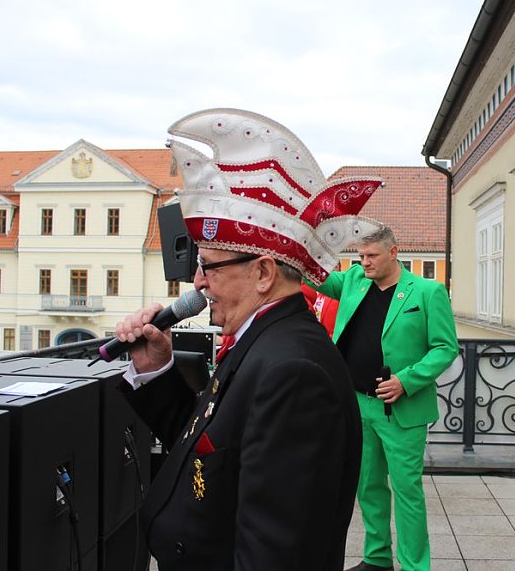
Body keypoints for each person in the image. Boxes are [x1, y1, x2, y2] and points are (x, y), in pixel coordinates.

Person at [114, 108, 386, 570]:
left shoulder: (293, 373)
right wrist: (156, 369)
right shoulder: (263, 339)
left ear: (263, 273)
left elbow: (274, 552)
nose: (198, 282)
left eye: (209, 266)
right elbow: (210, 448)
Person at [313, 226, 458, 571]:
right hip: (358, 404)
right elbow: (313, 276)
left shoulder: (428, 292)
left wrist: (405, 382)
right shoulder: (354, 281)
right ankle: (377, 558)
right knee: (368, 487)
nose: (364, 262)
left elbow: (445, 348)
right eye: (361, 256)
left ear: (393, 252)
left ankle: (414, 565)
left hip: (401, 410)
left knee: (407, 491)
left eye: (371, 256)